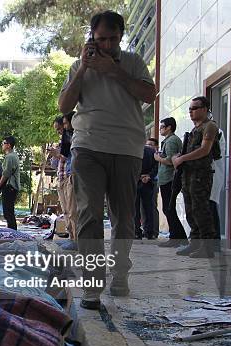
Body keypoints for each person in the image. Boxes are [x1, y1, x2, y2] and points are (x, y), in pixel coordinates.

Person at [58, 11, 157, 309]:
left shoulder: (134, 63)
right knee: (88, 214)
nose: (108, 44)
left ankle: (120, 275)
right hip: (88, 146)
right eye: (102, 39)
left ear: (121, 36)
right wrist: (83, 69)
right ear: (92, 37)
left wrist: (113, 70)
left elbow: (149, 95)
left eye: (113, 38)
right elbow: (64, 105)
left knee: (124, 217)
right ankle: (92, 284)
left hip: (127, 147)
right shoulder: (79, 65)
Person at [172, 96, 218, 258]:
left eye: (195, 108)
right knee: (190, 210)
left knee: (201, 210)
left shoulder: (209, 126)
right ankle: (196, 243)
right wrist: (178, 157)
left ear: (205, 109)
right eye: (190, 109)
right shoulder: (193, 130)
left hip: (201, 175)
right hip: (189, 175)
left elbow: (205, 150)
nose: (191, 111)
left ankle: (207, 247)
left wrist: (182, 158)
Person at [154, 117, 188, 247]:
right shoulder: (168, 141)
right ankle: (179, 237)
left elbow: (171, 160)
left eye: (162, 126)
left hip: (170, 179)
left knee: (169, 209)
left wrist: (158, 158)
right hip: (166, 179)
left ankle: (177, 237)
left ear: (169, 127)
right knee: (168, 209)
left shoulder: (172, 140)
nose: (160, 129)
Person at [0, 135, 21, 230]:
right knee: (9, 212)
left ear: (9, 145)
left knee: (8, 213)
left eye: (3, 143)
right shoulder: (12, 156)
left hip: (10, 187)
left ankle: (12, 234)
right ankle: (12, 233)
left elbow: (6, 174)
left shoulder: (10, 157)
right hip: (11, 187)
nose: (2, 145)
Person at [134, 139, 158, 239]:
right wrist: (149, 176)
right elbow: (157, 166)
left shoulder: (133, 150)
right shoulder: (151, 151)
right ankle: (150, 232)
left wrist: (139, 177)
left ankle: (136, 232)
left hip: (135, 182)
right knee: (149, 208)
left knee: (135, 208)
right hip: (148, 182)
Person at [60, 111, 78, 250]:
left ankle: (77, 240)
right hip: (68, 174)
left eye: (65, 123)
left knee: (72, 209)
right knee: (67, 210)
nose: (64, 127)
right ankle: (72, 237)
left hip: (76, 174)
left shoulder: (79, 134)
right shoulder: (66, 136)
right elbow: (64, 155)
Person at [209, 128, 226, 252]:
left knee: (211, 206)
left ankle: (214, 243)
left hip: (211, 174)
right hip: (202, 175)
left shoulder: (214, 131)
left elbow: (207, 152)